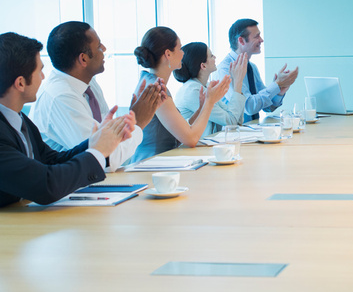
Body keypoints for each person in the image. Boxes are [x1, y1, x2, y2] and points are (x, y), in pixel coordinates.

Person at [0, 32, 134, 207]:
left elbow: (53, 161)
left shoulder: (19, 118)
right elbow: (46, 185)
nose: (43, 77)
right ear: (20, 83)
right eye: (39, 70)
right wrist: (98, 152)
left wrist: (97, 140)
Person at [30, 21, 166, 170]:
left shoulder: (88, 84)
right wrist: (138, 122)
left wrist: (130, 120)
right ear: (83, 59)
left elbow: (110, 137)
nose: (104, 49)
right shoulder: (60, 97)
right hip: (71, 189)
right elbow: (105, 159)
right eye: (99, 46)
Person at [131, 27, 231, 163]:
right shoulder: (156, 88)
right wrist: (209, 102)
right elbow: (190, 139)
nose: (183, 54)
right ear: (168, 54)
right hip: (152, 165)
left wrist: (202, 107)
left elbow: (182, 130)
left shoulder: (151, 81)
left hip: (161, 162)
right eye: (180, 48)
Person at [213, 19, 298, 122]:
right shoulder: (225, 69)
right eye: (256, 36)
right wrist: (276, 84)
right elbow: (249, 107)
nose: (261, 40)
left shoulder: (252, 67)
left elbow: (267, 107)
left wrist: (280, 90)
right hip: (234, 133)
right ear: (241, 41)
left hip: (253, 131)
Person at [173, 41, 247, 135]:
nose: (215, 57)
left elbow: (235, 120)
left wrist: (237, 84)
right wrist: (238, 82)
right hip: (193, 148)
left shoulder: (206, 86)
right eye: (211, 55)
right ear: (203, 65)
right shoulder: (192, 90)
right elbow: (231, 121)